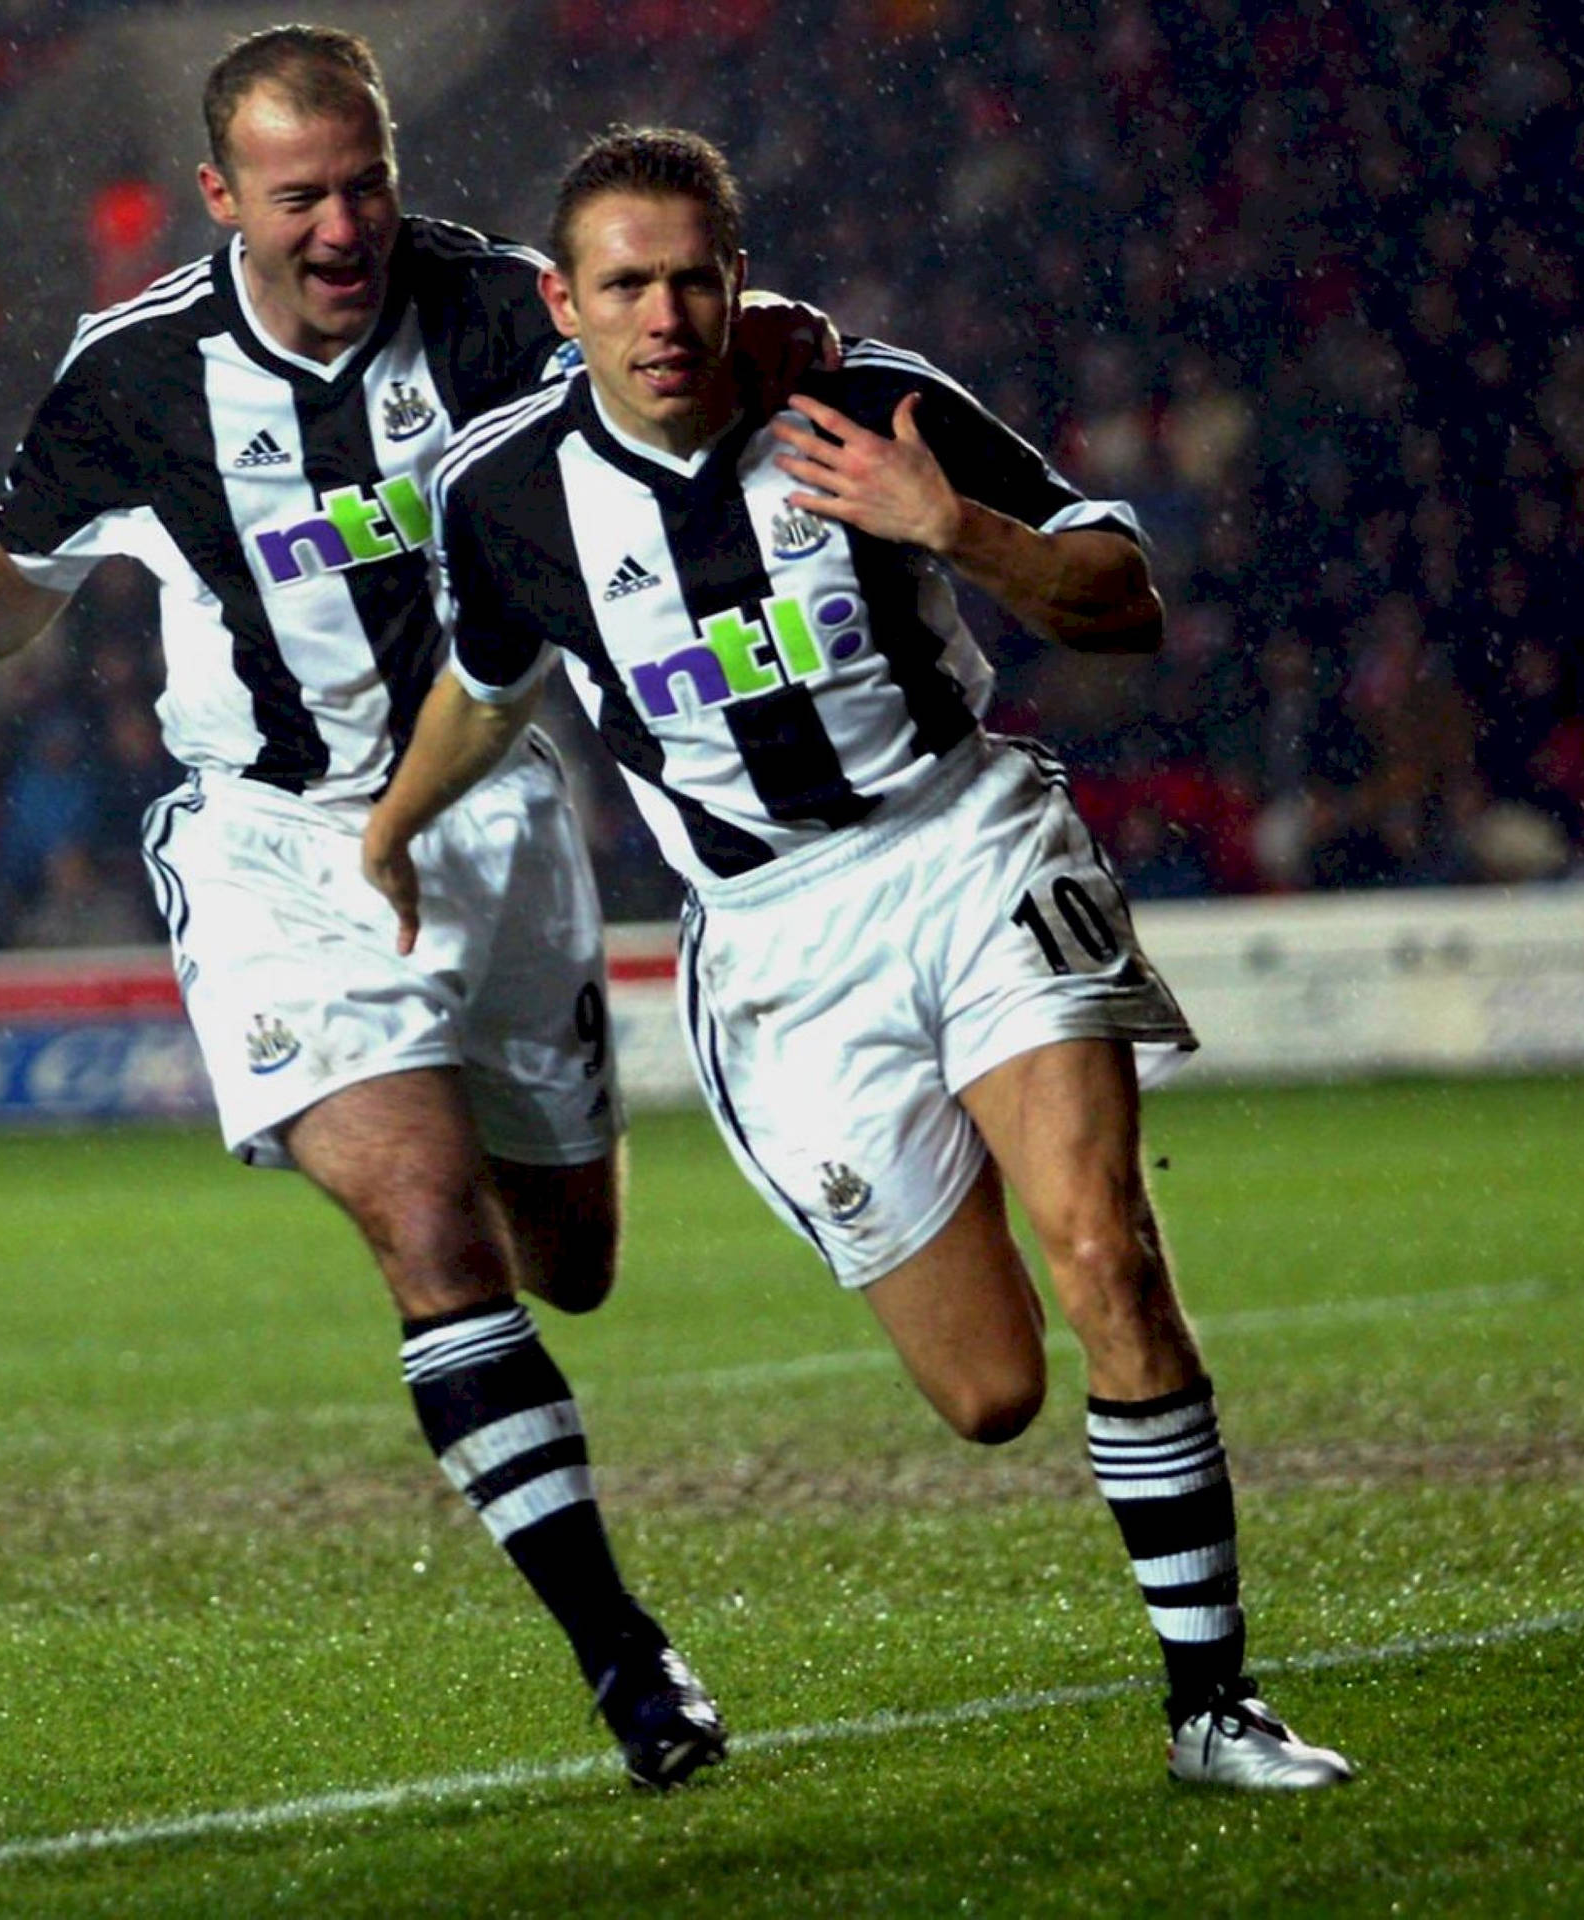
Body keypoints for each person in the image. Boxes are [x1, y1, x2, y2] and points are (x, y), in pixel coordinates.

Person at [363, 127, 1356, 1792]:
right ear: (563, 305)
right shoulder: (502, 492)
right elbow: (491, 675)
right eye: (626, 285)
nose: (666, 315)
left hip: (966, 850)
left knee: (1106, 1249)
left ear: (736, 278)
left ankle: (1212, 1705)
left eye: (693, 277)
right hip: (774, 949)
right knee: (987, 1393)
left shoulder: (871, 401)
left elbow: (1124, 600)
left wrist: (953, 524)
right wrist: (391, 828)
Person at [0, 27, 741, 1792]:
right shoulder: (139, 373)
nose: (340, 227)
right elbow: (12, 588)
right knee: (430, 1232)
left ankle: (491, 1183)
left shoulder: (494, 316)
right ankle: (628, 1663)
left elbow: (679, 381)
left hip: (497, 828)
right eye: (298, 194)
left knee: (579, 1267)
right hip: (277, 853)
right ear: (220, 198)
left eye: (364, 184)